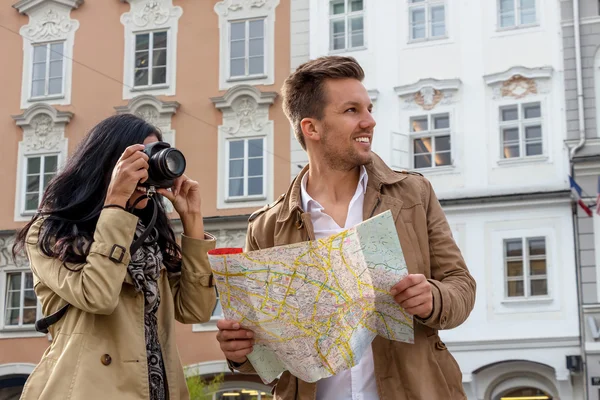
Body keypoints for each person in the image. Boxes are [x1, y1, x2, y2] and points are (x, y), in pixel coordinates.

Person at [216, 56, 476, 399]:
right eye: (352, 110)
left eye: (368, 108)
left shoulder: (414, 194)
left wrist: (432, 298)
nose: (369, 121)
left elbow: (462, 287)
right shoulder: (267, 227)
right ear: (312, 128)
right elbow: (264, 357)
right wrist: (239, 352)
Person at [12, 114, 217, 400]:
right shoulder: (51, 232)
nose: (149, 171)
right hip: (86, 390)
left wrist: (192, 220)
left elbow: (196, 311)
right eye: (141, 160)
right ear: (110, 164)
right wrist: (117, 201)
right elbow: (97, 296)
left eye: (156, 158)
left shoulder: (149, 233)